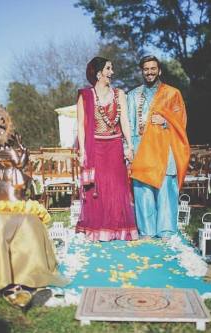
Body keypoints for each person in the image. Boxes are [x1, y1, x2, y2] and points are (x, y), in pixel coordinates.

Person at [75, 56, 138, 241]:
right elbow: (81, 125)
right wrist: (82, 152)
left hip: (115, 146)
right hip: (95, 148)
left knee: (118, 187)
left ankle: (118, 229)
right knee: (98, 189)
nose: (112, 72)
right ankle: (99, 229)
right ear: (99, 72)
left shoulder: (119, 94)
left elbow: (125, 121)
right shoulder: (85, 96)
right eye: (109, 68)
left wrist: (129, 145)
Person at [127, 55, 190, 240]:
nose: (149, 72)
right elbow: (129, 125)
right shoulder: (133, 95)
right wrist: (128, 148)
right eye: (146, 69)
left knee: (165, 187)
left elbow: (182, 121)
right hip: (141, 148)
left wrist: (166, 121)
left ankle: (166, 230)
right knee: (143, 188)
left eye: (153, 68)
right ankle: (146, 230)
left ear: (159, 70)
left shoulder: (172, 93)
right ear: (142, 71)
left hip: (165, 148)